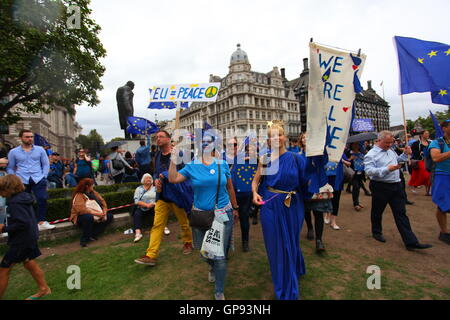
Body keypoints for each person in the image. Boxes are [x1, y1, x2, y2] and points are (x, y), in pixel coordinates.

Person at [168, 133, 239, 300]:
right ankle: (212, 266)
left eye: (209, 142)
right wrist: (172, 160)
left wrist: (235, 208)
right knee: (203, 251)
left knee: (220, 255)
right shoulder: (192, 166)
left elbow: (230, 188)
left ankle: (219, 291)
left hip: (223, 214)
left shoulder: (222, 165)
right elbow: (173, 179)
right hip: (201, 216)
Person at [252, 121, 308, 300]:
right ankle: (284, 284)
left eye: (278, 135)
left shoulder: (297, 158)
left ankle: (294, 268)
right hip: (270, 205)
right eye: (271, 136)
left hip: (292, 205)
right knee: (276, 245)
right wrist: (254, 193)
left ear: (285, 137)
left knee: (291, 241)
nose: (275, 138)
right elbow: (256, 181)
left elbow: (305, 183)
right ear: (267, 141)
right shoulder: (265, 158)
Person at [364, 131, 432, 251]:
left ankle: (411, 241)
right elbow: (369, 171)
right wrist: (386, 169)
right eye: (387, 143)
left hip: (396, 185)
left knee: (401, 213)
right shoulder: (371, 154)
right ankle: (376, 232)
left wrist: (405, 154)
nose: (390, 145)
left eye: (391, 142)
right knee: (377, 211)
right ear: (379, 140)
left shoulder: (390, 151)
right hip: (381, 186)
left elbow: (398, 161)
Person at [134, 130, 193, 267]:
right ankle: (151, 255)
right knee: (157, 225)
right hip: (161, 196)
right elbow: (156, 172)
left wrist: (166, 175)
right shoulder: (157, 155)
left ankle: (188, 242)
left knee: (183, 222)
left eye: (161, 137)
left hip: (177, 195)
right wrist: (155, 180)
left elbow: (187, 172)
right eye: (156, 137)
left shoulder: (179, 154)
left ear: (168, 139)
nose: (158, 139)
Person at [0, 174, 51, 300]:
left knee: (4, 269)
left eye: (1, 190)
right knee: (28, 262)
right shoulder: (23, 198)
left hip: (21, 241)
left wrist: (4, 228)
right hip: (29, 236)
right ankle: (44, 289)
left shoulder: (15, 203)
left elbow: (22, 223)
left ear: (8, 189)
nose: (0, 193)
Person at [7, 129, 55, 231]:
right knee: (23, 202)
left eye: (31, 137)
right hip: (21, 179)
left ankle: (41, 221)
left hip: (38, 178)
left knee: (42, 199)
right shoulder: (13, 152)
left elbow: (45, 164)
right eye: (27, 137)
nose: (30, 139)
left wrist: (44, 176)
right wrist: (14, 179)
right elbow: (10, 167)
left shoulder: (40, 150)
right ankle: (26, 223)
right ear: (21, 138)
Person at [230, 138, 258, 252]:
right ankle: (226, 245)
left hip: (243, 195)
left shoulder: (250, 160)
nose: (233, 147)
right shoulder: (222, 159)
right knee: (226, 221)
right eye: (230, 145)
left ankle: (245, 242)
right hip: (227, 196)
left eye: (235, 145)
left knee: (244, 219)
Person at [69, 178, 113, 247]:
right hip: (79, 216)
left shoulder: (94, 193)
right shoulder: (79, 195)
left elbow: (103, 202)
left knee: (109, 216)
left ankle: (93, 234)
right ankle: (84, 239)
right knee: (88, 217)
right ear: (87, 186)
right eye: (92, 185)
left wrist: (104, 211)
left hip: (96, 214)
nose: (93, 186)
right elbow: (81, 210)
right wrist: (97, 214)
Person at [429, 120, 450, 245]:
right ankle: (444, 232)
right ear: (444, 128)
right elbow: (436, 158)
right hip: (443, 176)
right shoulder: (438, 143)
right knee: (443, 205)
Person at [324, 154, 351, 231]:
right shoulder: (325, 151)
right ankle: (327, 214)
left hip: (337, 180)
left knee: (336, 200)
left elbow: (349, 164)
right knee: (327, 198)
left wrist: (342, 160)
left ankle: (333, 222)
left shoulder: (340, 152)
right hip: (326, 179)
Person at [132, 173, 156, 243]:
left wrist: (154, 204)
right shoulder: (139, 189)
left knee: (158, 212)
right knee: (137, 214)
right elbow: (136, 201)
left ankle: (163, 227)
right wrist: (147, 205)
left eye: (150, 178)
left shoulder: (155, 188)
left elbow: (159, 198)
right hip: (142, 207)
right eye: (147, 178)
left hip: (153, 207)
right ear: (143, 180)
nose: (149, 179)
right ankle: (138, 233)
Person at [409, 130, 432, 196]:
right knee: (425, 175)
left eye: (428, 133)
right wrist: (420, 153)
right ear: (422, 135)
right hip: (419, 161)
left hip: (428, 161)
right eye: (426, 133)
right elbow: (412, 152)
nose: (427, 134)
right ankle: (414, 186)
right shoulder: (416, 143)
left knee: (427, 176)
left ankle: (428, 191)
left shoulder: (430, 142)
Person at [348, 142, 369, 211]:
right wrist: (350, 159)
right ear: (351, 145)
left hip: (361, 173)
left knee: (358, 188)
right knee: (356, 187)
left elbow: (365, 161)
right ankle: (356, 204)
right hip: (353, 173)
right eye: (354, 144)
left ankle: (357, 202)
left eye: (357, 144)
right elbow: (344, 162)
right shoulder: (349, 152)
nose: (356, 146)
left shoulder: (361, 153)